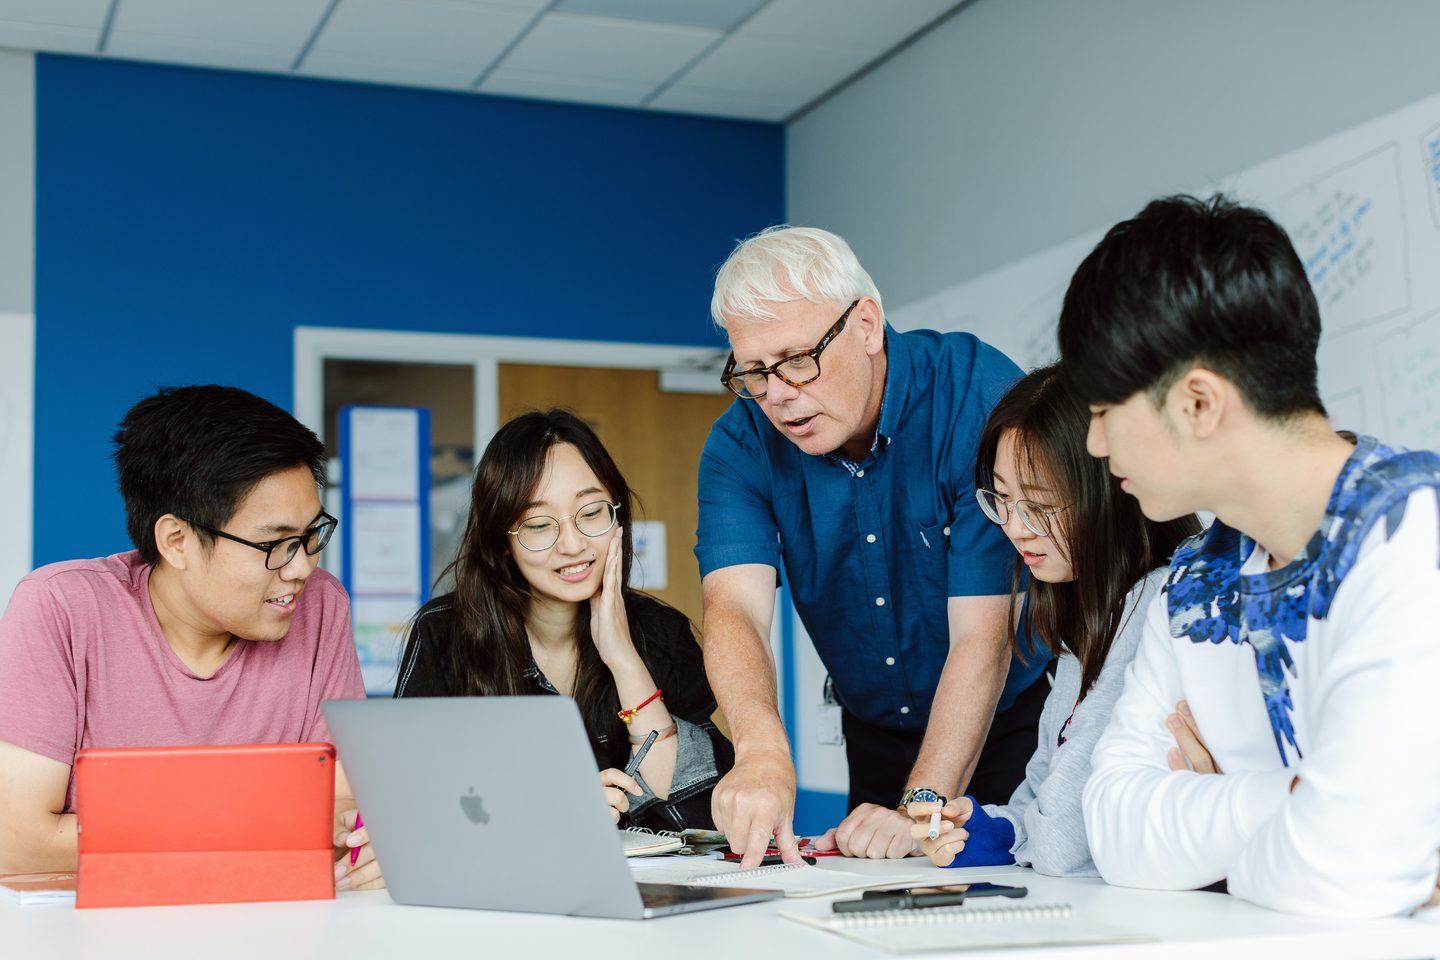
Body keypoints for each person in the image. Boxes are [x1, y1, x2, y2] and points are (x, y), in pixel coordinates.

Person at [1059, 194, 1440, 917]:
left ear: (1199, 403)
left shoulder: (1411, 535)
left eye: (1105, 412)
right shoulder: (1194, 584)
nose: (1095, 445)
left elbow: (1340, 873)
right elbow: (1114, 829)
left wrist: (1212, 821)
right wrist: (1291, 803)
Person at [696, 225, 1048, 866]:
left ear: (865, 325)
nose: (776, 395)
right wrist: (761, 747)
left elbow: (983, 636)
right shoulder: (740, 442)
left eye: (798, 360)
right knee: (874, 895)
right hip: (874, 726)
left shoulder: (977, 401)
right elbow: (735, 609)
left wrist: (924, 804)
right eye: (752, 372)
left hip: (1007, 713)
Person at [0, 385, 379, 891]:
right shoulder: (62, 607)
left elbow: (340, 818)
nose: (304, 566)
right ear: (176, 541)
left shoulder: (321, 606)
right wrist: (267, 820)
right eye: (274, 544)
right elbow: (20, 845)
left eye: (312, 534)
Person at [905, 365, 1199, 875]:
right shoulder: (1081, 623)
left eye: (1038, 506)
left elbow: (1063, 841)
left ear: (1111, 492)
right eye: (1003, 500)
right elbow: (1042, 793)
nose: (1015, 529)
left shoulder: (1157, 601)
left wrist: (1026, 835)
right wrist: (993, 830)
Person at [395, 409, 732, 831]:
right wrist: (549, 806)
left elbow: (700, 812)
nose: (572, 544)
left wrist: (623, 658)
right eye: (539, 524)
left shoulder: (663, 633)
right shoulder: (444, 634)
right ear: (502, 541)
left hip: (653, 892)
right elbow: (411, 800)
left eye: (591, 513)